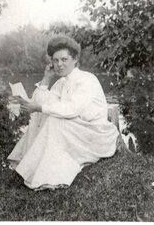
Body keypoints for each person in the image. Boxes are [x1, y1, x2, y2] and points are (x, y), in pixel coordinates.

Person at [7, 35, 119, 191]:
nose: (59, 64)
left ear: (75, 60)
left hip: (94, 132)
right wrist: (46, 79)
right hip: (75, 128)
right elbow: (41, 103)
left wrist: (39, 107)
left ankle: (50, 177)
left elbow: (72, 109)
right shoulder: (61, 82)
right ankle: (31, 167)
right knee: (43, 116)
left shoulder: (86, 79)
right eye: (55, 60)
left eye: (64, 60)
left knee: (53, 120)